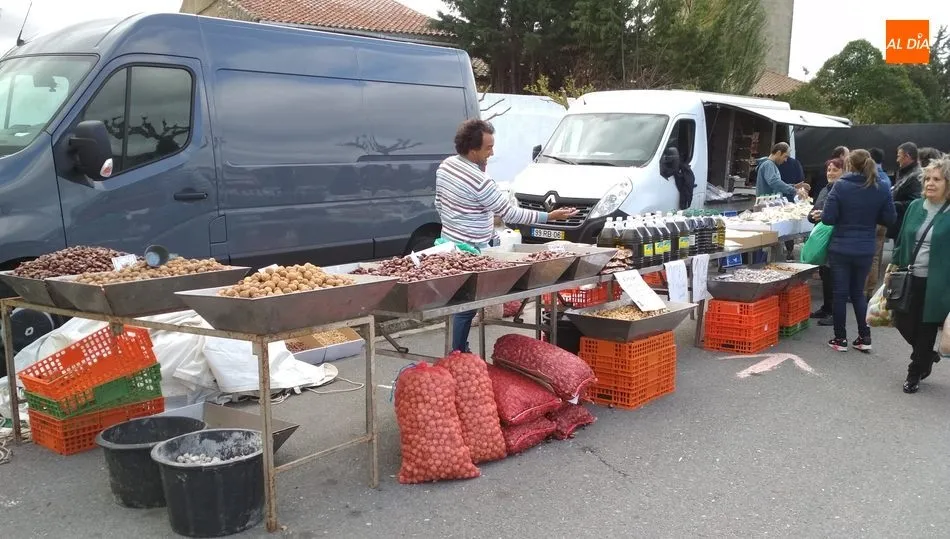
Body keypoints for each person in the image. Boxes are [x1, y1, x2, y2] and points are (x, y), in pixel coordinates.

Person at [435, 119, 578, 353]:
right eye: (488, 148)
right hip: (472, 250)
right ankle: (457, 353)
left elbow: (439, 203)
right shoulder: (480, 182)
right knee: (466, 306)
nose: (492, 153)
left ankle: (459, 350)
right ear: (472, 150)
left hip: (449, 244)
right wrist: (550, 216)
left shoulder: (446, 167)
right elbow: (510, 213)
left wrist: (455, 223)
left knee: (459, 302)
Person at [820, 149, 897, 352]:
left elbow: (828, 218)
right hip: (865, 247)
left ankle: (840, 339)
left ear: (849, 165)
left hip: (841, 247)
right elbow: (890, 218)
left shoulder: (840, 186)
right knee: (858, 293)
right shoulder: (881, 187)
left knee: (839, 294)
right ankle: (865, 336)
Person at [892, 158, 950, 393]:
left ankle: (914, 372)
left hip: (938, 283)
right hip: (909, 276)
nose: (930, 183)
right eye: (927, 179)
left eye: (937, 179)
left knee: (926, 327)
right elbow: (901, 240)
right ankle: (926, 354)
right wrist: (893, 265)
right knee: (902, 321)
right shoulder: (915, 206)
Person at [808, 158, 844, 326]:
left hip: (836, 237)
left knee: (834, 276)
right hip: (822, 238)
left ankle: (835, 313)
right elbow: (815, 209)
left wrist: (823, 215)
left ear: (843, 172)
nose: (830, 173)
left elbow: (841, 214)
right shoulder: (825, 189)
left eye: (835, 170)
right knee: (824, 273)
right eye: (829, 170)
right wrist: (812, 216)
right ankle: (827, 307)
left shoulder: (843, 190)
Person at [865, 148, 892, 297]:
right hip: (882, 223)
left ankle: (862, 290)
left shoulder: (870, 177)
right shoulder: (886, 178)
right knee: (875, 257)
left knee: (865, 256)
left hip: (871, 222)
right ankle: (870, 290)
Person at [887, 142, 923, 242]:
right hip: (900, 224)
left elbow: (916, 202)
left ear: (907, 156)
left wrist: (893, 204)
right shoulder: (906, 173)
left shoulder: (915, 176)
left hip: (904, 225)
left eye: (899, 156)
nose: (897, 160)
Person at [778, 154, 806, 260]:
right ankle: (790, 251)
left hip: (778, 197)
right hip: (791, 196)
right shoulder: (795, 163)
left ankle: (778, 249)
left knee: (777, 223)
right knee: (789, 223)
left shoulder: (774, 164)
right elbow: (801, 179)